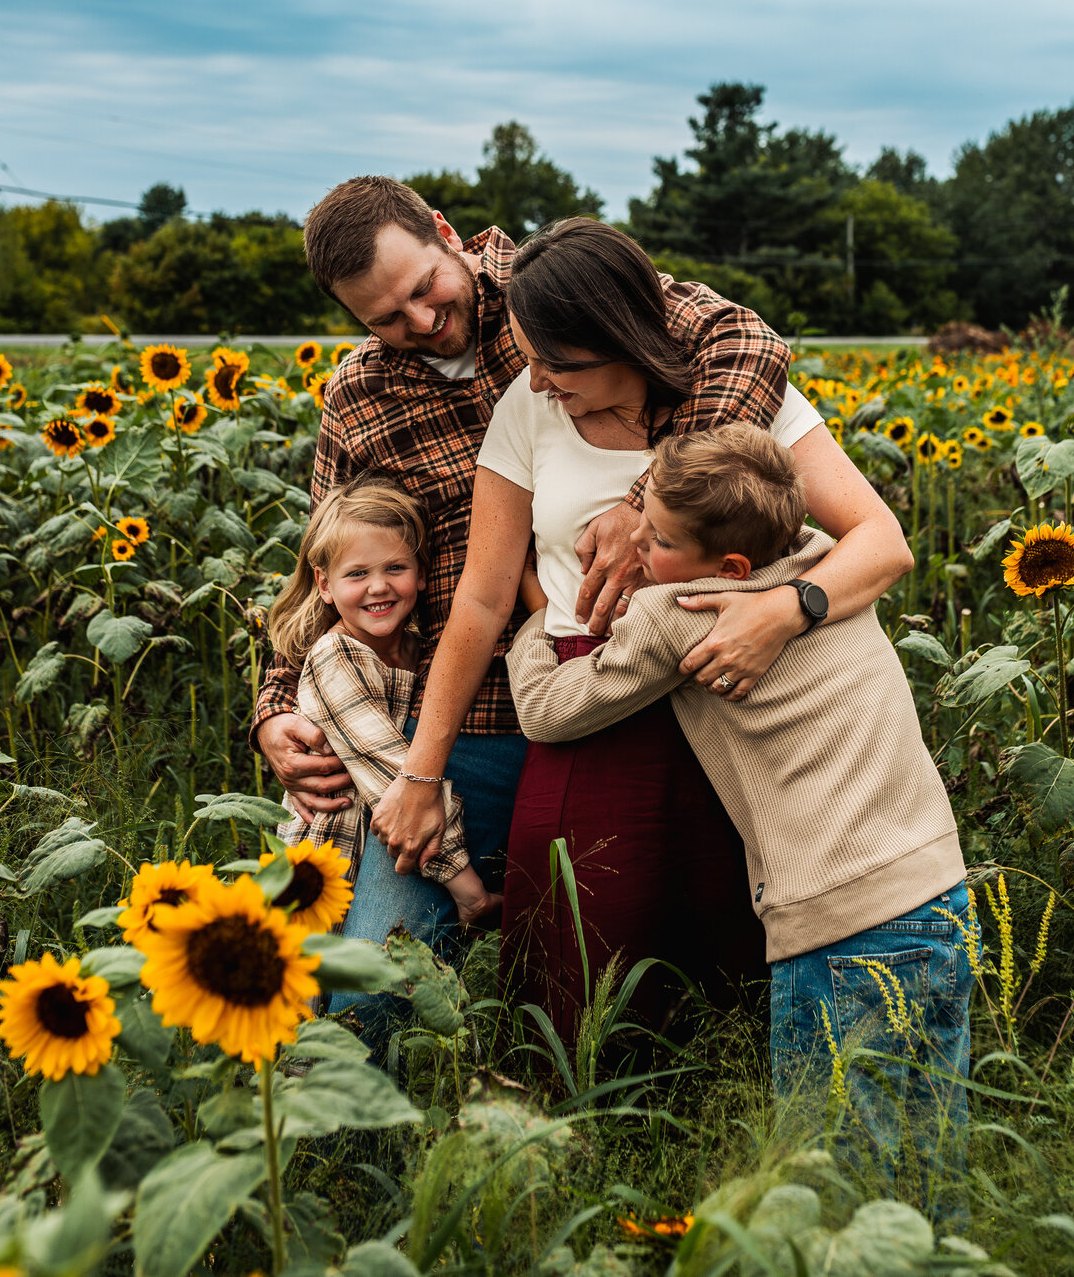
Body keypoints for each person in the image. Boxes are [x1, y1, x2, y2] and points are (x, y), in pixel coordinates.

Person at [253, 177, 796, 1011]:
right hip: (457, 723)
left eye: (426, 290)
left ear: (445, 233)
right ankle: (364, 1140)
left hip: (624, 676)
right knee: (370, 978)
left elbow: (746, 344)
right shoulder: (359, 398)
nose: (423, 325)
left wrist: (642, 502)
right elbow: (322, 570)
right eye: (386, 319)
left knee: (676, 951)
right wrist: (277, 707)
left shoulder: (557, 291)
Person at [387, 219, 916, 1037]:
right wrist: (421, 774)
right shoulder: (529, 416)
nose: (533, 380)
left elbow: (881, 545)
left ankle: (722, 1124)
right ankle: (584, 1133)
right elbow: (481, 602)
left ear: (620, 340)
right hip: (588, 701)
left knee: (732, 956)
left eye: (556, 363)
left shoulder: (739, 409)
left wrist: (780, 610)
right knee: (577, 958)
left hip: (736, 702)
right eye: (526, 356)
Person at [506, 421, 975, 1215]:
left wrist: (535, 616)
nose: (637, 548)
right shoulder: (827, 563)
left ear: (727, 568)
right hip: (937, 892)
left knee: (831, 1189)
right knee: (926, 1165)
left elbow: (549, 713)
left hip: (836, 923)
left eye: (653, 537)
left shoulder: (677, 612)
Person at [268, 475, 500, 927]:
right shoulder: (335, 657)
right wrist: (468, 889)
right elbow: (394, 776)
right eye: (357, 574)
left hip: (373, 846)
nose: (379, 587)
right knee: (311, 984)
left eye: (395, 568)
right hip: (324, 858)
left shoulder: (420, 653)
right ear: (324, 584)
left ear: (423, 573)